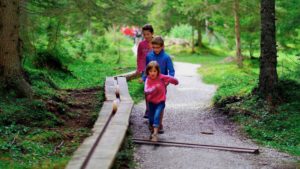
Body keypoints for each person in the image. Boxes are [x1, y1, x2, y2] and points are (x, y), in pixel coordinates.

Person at [144, 36, 175, 134]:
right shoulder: (149, 56)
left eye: (158, 47)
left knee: (160, 105)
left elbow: (172, 71)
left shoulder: (166, 57)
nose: (156, 49)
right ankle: (151, 123)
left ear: (162, 46)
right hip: (149, 85)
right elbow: (146, 70)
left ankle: (159, 124)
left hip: (162, 86)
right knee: (150, 104)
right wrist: (144, 79)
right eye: (154, 47)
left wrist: (168, 81)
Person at [144, 61, 178, 142]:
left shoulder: (161, 77)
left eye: (155, 71)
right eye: (150, 71)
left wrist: (175, 81)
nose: (152, 73)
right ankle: (153, 131)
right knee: (151, 118)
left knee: (156, 116)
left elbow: (169, 78)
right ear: (148, 71)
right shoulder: (148, 80)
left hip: (160, 101)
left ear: (158, 71)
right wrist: (153, 88)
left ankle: (155, 134)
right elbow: (146, 90)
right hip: (151, 102)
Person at [136, 24, 154, 118]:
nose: (146, 36)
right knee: (147, 91)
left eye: (148, 34)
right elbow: (139, 57)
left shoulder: (157, 43)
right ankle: (147, 110)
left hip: (156, 71)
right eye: (144, 34)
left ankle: (154, 109)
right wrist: (139, 68)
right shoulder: (141, 44)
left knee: (155, 91)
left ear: (152, 33)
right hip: (145, 70)